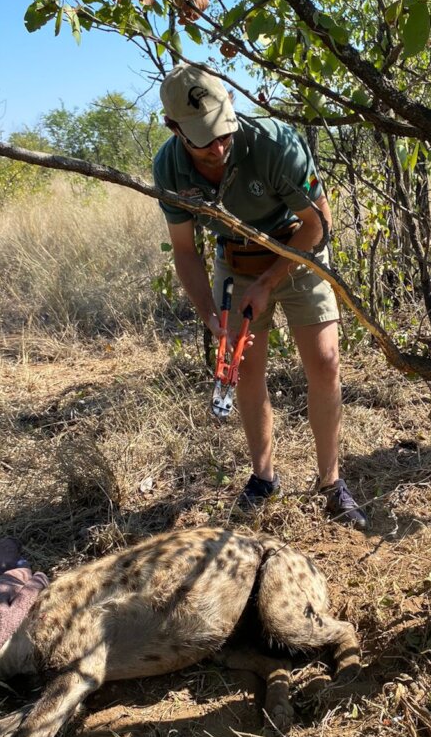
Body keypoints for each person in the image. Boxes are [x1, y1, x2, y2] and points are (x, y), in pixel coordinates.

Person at [153, 63, 367, 529]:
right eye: (204, 139)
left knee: (326, 362)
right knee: (246, 372)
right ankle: (263, 477)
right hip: (234, 266)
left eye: (224, 131)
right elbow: (186, 252)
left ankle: (331, 483)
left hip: (297, 252)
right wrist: (211, 316)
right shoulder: (168, 168)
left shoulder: (274, 142)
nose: (219, 146)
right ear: (173, 127)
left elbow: (318, 224)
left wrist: (268, 282)